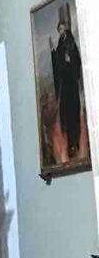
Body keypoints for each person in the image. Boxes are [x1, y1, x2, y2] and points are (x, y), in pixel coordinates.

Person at [51, 20, 83, 158]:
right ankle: (70, 143)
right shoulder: (59, 45)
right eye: (59, 29)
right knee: (66, 113)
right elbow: (58, 65)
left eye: (62, 29)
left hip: (71, 83)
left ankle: (75, 141)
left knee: (73, 112)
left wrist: (71, 61)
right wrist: (53, 53)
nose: (61, 31)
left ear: (66, 29)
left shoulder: (71, 43)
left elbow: (77, 61)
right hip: (65, 85)